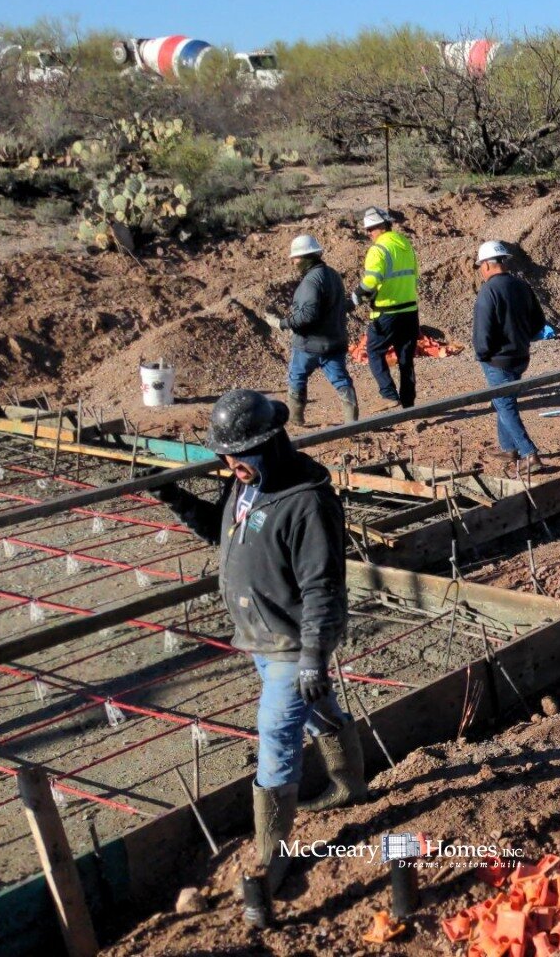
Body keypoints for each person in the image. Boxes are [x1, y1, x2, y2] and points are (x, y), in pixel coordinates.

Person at [154, 389, 366, 927]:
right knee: (316, 712)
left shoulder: (306, 501)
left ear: (271, 444)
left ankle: (272, 852)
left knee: (275, 730)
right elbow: (224, 537)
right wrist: (176, 498)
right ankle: (347, 783)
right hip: (261, 634)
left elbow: (323, 587)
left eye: (238, 456)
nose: (230, 466)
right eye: (225, 457)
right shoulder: (247, 487)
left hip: (294, 641)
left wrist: (315, 656)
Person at [265, 234, 358, 427]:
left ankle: (296, 420)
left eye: (296, 258)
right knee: (341, 380)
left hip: (309, 345)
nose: (293, 262)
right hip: (335, 342)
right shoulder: (332, 275)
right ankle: (352, 422)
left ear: (308, 257)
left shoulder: (310, 281)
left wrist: (282, 323)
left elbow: (307, 315)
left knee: (297, 377)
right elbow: (342, 306)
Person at [472, 240, 547, 473]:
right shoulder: (521, 286)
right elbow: (538, 322)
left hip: (497, 360)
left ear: (486, 265)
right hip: (520, 355)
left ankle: (528, 453)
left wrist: (483, 354)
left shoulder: (489, 290)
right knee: (504, 401)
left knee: (505, 405)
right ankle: (508, 448)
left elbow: (482, 329)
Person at [350, 206, 419, 409]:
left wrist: (357, 295)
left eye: (370, 230)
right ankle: (408, 403)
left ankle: (389, 395)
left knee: (374, 351)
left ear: (380, 227)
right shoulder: (405, 243)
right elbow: (413, 273)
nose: (369, 234)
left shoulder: (378, 249)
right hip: (409, 311)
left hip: (387, 312)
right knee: (406, 358)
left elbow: (371, 280)